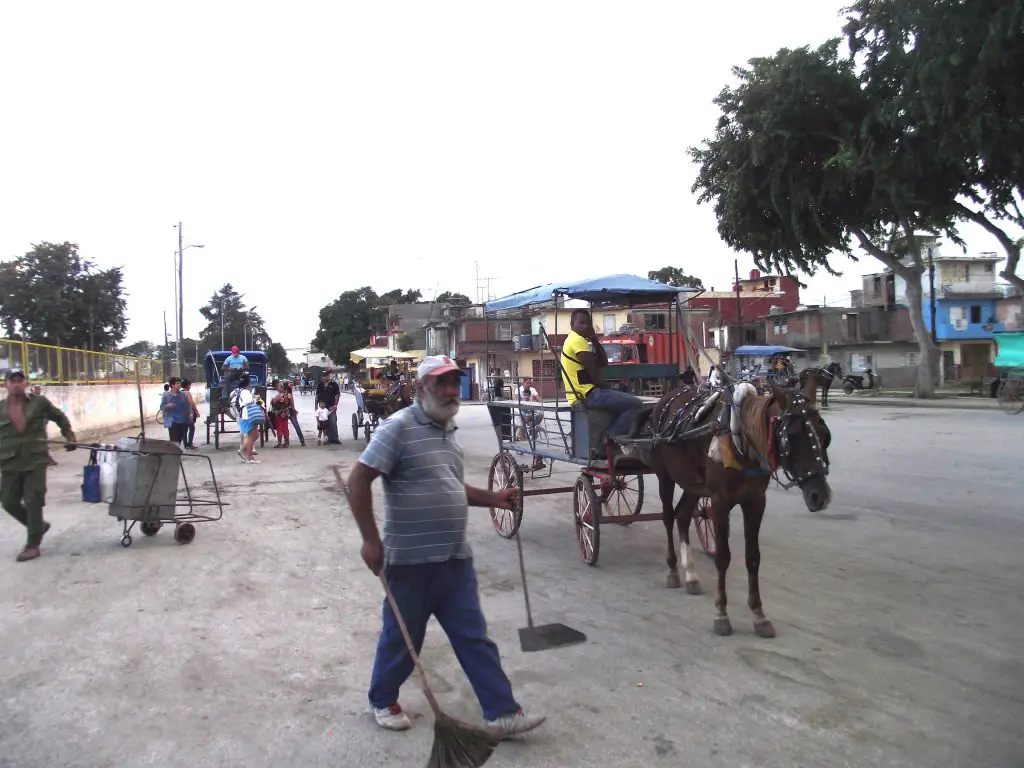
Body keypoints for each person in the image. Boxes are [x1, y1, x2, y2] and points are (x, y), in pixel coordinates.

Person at [347, 355, 546, 738]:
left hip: (454, 558)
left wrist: (494, 498)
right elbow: (358, 481)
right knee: (403, 639)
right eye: (442, 383)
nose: (452, 390)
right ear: (422, 388)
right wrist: (370, 539)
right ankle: (382, 698)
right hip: (409, 560)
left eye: (455, 382)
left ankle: (502, 712)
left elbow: (451, 489)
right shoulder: (398, 429)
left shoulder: (446, 431)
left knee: (474, 638)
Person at [0, 370, 77, 562]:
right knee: (8, 502)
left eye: (20, 380)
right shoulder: (0, 408)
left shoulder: (38, 402)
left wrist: (69, 435)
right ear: (5, 384)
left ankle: (32, 544)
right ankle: (38, 526)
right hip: (10, 462)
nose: (17, 384)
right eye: (13, 381)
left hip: (35, 460)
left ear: (25, 383)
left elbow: (59, 416)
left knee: (33, 501)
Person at [560, 308, 643, 437]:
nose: (585, 326)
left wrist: (594, 339)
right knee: (636, 404)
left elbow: (603, 362)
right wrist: (608, 388)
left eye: (588, 323)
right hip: (587, 396)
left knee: (620, 402)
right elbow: (594, 373)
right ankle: (611, 437)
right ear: (572, 325)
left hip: (584, 394)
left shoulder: (574, 341)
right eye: (581, 323)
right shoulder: (577, 340)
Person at [231, 374, 264, 463]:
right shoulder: (245, 392)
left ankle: (244, 452)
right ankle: (248, 457)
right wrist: (255, 398)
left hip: (246, 415)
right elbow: (248, 402)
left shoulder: (240, 391)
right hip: (248, 415)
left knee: (255, 435)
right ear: (248, 383)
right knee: (252, 436)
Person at [161, 377, 190, 447]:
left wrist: (190, 413)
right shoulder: (166, 396)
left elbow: (188, 405)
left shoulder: (183, 395)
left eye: (180, 383)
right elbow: (162, 407)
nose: (179, 385)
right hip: (172, 421)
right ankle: (174, 455)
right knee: (174, 440)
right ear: (172, 385)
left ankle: (176, 452)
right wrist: (168, 406)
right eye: (177, 383)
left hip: (182, 420)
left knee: (179, 439)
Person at [315, 370, 342, 444]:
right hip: (322, 408)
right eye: (322, 376)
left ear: (328, 376)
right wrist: (316, 407)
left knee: (333, 422)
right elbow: (317, 397)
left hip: (331, 406)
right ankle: (327, 439)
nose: (323, 377)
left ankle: (335, 438)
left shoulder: (334, 384)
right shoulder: (320, 385)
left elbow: (337, 395)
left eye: (325, 376)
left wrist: (335, 405)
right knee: (324, 423)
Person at [270, 382, 292, 448]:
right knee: (285, 428)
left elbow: (273, 402)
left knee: (279, 428)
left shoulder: (280, 395)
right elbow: (290, 404)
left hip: (279, 414)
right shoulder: (289, 395)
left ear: (282, 388)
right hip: (286, 414)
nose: (277, 388)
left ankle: (279, 443)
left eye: (279, 387)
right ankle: (286, 443)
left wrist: (273, 400)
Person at [284, 382, 306, 446]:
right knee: (296, 425)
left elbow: (291, 403)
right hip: (290, 410)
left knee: (285, 427)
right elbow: (292, 403)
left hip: (286, 411)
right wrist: (294, 410)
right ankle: (302, 440)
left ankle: (286, 441)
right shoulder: (289, 394)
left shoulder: (284, 394)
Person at [181, 378, 200, 450]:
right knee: (192, 428)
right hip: (189, 413)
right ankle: (190, 443)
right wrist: (197, 411)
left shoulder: (180, 392)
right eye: (190, 385)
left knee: (184, 429)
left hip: (182, 413)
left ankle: (185, 444)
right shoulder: (187, 393)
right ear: (187, 385)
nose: (190, 387)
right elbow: (191, 403)